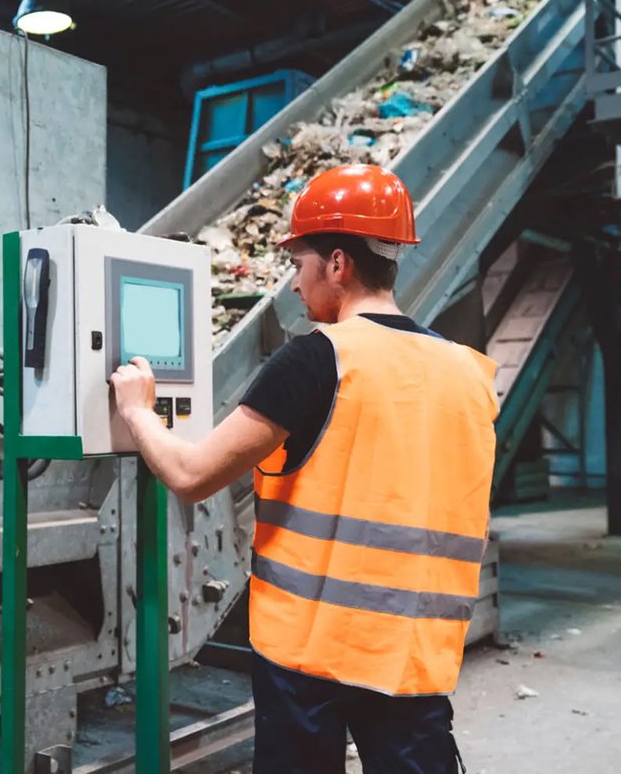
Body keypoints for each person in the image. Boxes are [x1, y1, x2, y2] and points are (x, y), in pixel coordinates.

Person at [109, 164, 498, 774]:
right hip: (414, 652)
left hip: (311, 652)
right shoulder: (468, 371)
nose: (294, 285)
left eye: (299, 264)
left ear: (337, 264)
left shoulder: (319, 357)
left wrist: (137, 412)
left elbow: (190, 474)